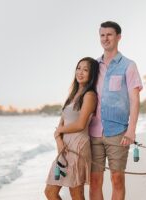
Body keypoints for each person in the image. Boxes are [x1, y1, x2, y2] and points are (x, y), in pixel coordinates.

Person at [89, 21, 143, 200]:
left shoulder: (128, 65)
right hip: (93, 132)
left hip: (118, 133)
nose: (105, 38)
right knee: (95, 180)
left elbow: (135, 100)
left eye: (109, 35)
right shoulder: (93, 66)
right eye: (102, 35)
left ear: (118, 37)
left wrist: (131, 130)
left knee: (117, 179)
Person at [45, 57, 99, 200]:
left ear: (92, 74)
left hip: (78, 146)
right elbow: (61, 123)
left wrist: (59, 131)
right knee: (50, 192)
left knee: (76, 194)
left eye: (85, 70)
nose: (80, 72)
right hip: (64, 147)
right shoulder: (72, 95)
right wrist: (59, 141)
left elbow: (81, 124)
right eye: (78, 68)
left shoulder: (90, 95)